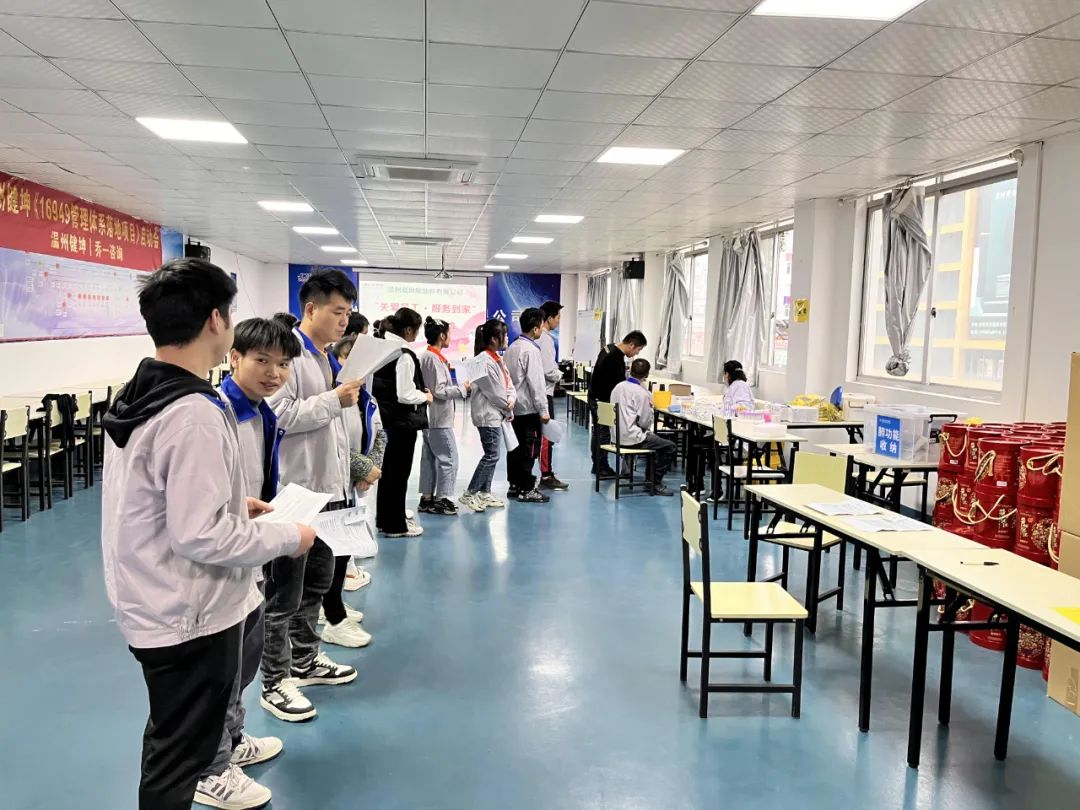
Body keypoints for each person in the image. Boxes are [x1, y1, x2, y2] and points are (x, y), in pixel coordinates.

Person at [101, 258, 316, 810]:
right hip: (187, 611)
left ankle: (222, 752)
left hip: (154, 595)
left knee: (177, 733)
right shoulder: (192, 411)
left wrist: (231, 505)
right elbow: (202, 537)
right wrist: (286, 537)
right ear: (217, 321)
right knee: (179, 755)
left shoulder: (143, 391)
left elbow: (154, 495)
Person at [191, 317, 301, 808]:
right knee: (218, 673)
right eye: (262, 361)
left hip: (251, 551)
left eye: (283, 364)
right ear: (233, 357)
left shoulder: (261, 412)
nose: (274, 373)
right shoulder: (218, 416)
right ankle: (209, 768)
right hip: (224, 559)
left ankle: (232, 741)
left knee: (243, 662)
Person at [262, 269, 362, 722]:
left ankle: (304, 659)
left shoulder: (324, 358)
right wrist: (334, 400)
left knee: (317, 583)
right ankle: (273, 681)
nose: (344, 320)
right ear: (310, 308)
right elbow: (279, 415)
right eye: (337, 312)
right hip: (296, 495)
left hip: (327, 492)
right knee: (284, 593)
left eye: (347, 313)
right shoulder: (288, 356)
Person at [372, 307, 433, 537]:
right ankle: (395, 525)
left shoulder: (382, 347)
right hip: (401, 423)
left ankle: (384, 519)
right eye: (416, 330)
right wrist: (425, 396)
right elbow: (405, 394)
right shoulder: (404, 354)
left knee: (387, 473)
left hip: (385, 420)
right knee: (398, 475)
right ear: (408, 330)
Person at [460, 319, 515, 513]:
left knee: (493, 454)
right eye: (504, 335)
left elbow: (508, 384)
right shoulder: (481, 361)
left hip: (496, 413)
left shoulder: (497, 358)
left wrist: (512, 398)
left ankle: (484, 492)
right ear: (493, 339)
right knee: (491, 455)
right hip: (487, 415)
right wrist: (508, 409)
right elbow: (494, 392)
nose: (507, 338)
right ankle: (470, 493)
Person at [419, 317, 469, 516]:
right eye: (449, 333)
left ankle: (427, 498)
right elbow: (439, 390)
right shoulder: (432, 358)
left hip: (432, 417)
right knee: (449, 458)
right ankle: (442, 499)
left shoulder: (430, 357)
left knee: (430, 458)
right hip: (438, 419)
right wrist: (463, 389)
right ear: (441, 335)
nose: (450, 337)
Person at [503, 308, 551, 504]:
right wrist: (544, 410)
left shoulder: (512, 347)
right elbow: (536, 384)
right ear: (535, 329)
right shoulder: (531, 350)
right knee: (529, 449)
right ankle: (527, 488)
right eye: (541, 326)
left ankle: (514, 485)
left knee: (514, 448)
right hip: (528, 409)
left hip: (513, 407)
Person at [609, 359, 676, 497]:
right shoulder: (642, 393)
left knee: (656, 441)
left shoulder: (618, 387)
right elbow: (645, 423)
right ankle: (654, 483)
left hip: (616, 437)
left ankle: (646, 479)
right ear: (646, 375)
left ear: (630, 370)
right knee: (669, 447)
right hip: (632, 438)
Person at [588, 331, 648, 477]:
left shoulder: (610, 348)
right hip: (603, 400)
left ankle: (598, 465)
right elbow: (619, 385)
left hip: (596, 396)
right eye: (638, 349)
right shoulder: (614, 358)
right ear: (631, 345)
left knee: (599, 432)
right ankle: (601, 467)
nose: (636, 354)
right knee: (602, 434)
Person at [537, 300, 568, 492]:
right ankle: (546, 475)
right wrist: (560, 374)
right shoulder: (546, 339)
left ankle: (545, 473)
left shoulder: (537, 337)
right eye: (558, 317)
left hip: (539, 392)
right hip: (545, 393)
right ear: (549, 318)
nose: (559, 321)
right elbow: (548, 370)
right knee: (547, 437)